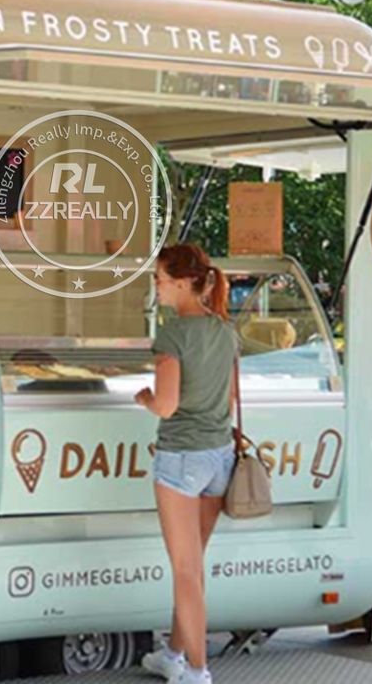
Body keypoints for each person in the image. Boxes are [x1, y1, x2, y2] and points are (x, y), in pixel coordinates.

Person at [136, 243, 238, 684]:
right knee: (193, 567)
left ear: (181, 283)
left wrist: (145, 398)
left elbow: (167, 405)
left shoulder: (173, 335)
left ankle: (197, 671)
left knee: (186, 571)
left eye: (159, 279)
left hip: (181, 459)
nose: (156, 288)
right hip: (219, 457)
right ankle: (173, 655)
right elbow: (228, 399)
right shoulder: (225, 331)